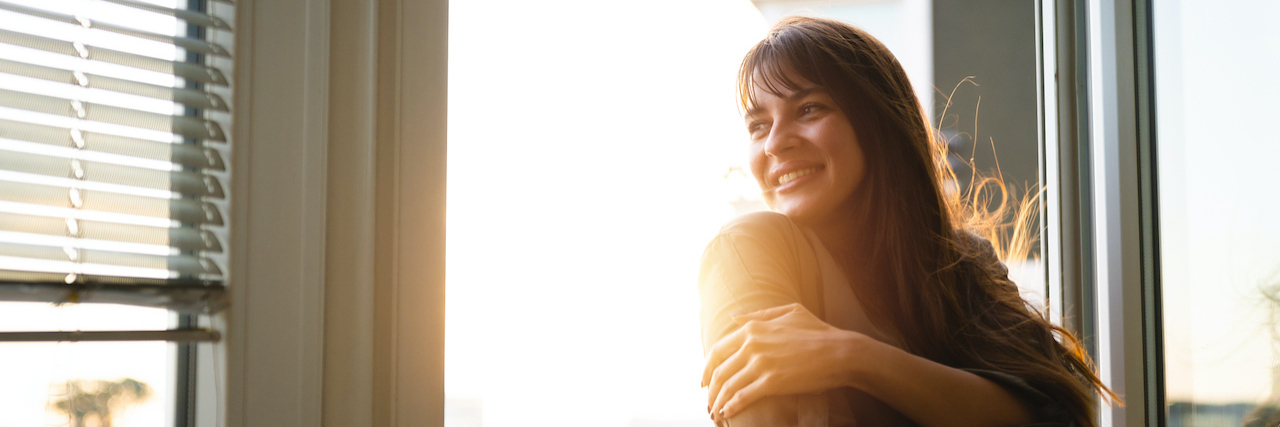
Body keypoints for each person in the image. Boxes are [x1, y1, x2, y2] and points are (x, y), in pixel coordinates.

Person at [697, 16, 1117, 427]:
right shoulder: (747, 247)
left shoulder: (962, 261)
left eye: (808, 108)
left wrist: (849, 356)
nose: (775, 142)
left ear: (877, 123)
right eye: (758, 125)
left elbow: (1056, 411)